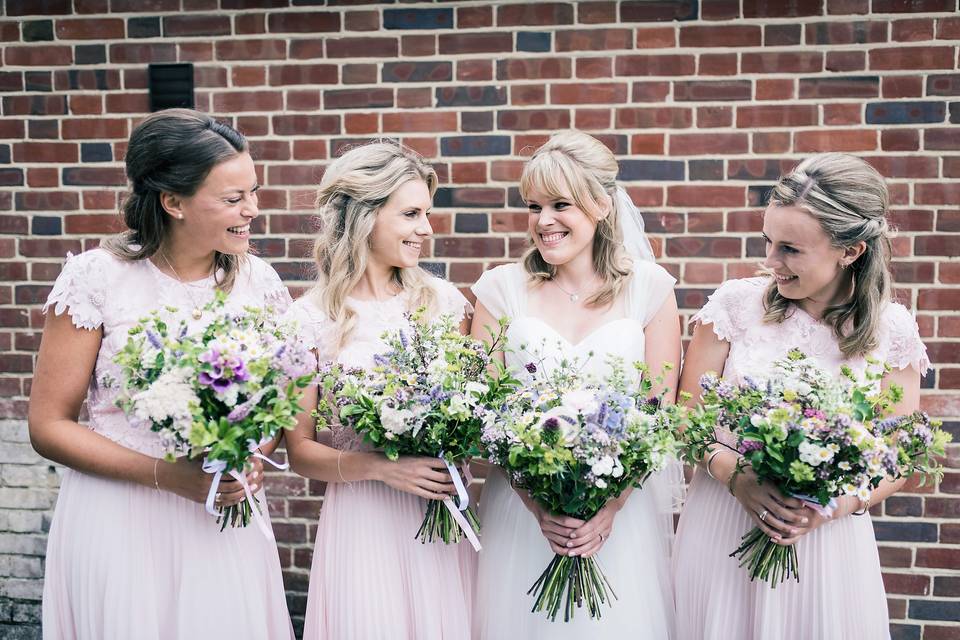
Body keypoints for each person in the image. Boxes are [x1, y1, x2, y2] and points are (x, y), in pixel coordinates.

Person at [29, 109, 293, 639]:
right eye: (233, 198)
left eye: (254, 192)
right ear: (173, 202)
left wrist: (253, 452)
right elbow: (48, 426)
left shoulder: (258, 282)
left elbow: (274, 398)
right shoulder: (98, 277)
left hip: (223, 512)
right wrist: (169, 477)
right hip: (119, 518)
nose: (253, 211)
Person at [672, 153, 929, 640]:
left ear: (850, 251)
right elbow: (685, 421)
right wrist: (735, 476)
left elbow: (896, 456)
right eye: (768, 241)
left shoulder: (891, 330)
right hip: (722, 525)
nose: (770, 262)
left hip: (825, 544)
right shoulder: (734, 306)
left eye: (789, 249)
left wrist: (832, 507)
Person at [470, 130, 682, 639]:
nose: (543, 222)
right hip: (521, 512)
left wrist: (606, 512)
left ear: (602, 205)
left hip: (621, 519)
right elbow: (483, 415)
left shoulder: (651, 290)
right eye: (533, 206)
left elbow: (662, 415)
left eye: (560, 204)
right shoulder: (498, 289)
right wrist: (540, 507)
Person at [284, 141, 475, 640]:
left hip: (438, 510)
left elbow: (473, 413)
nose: (427, 229)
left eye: (427, 214)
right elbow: (299, 450)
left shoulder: (444, 304)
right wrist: (383, 468)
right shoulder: (310, 319)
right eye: (411, 214)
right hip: (362, 518)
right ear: (365, 216)